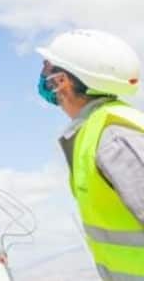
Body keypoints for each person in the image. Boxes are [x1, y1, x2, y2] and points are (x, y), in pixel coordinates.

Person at [37, 28, 144, 280]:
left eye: (46, 68)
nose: (42, 76)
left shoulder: (113, 138)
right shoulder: (97, 130)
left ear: (61, 81)